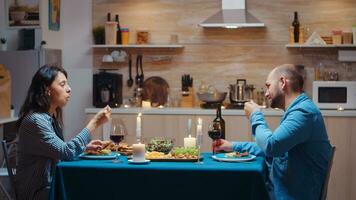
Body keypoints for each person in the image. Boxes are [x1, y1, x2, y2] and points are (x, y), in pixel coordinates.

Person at [215, 64, 332, 200]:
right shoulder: (297, 111)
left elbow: (272, 146)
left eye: (268, 86)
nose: (265, 93)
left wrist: (255, 115)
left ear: (282, 82)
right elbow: (275, 149)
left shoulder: (303, 113)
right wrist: (232, 146)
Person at [16, 65, 112, 200]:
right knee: (93, 188)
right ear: (47, 90)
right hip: (37, 192)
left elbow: (58, 152)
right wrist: (94, 123)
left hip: (50, 186)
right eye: (62, 84)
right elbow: (65, 152)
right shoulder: (36, 121)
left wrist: (84, 148)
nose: (69, 89)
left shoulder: (49, 117)